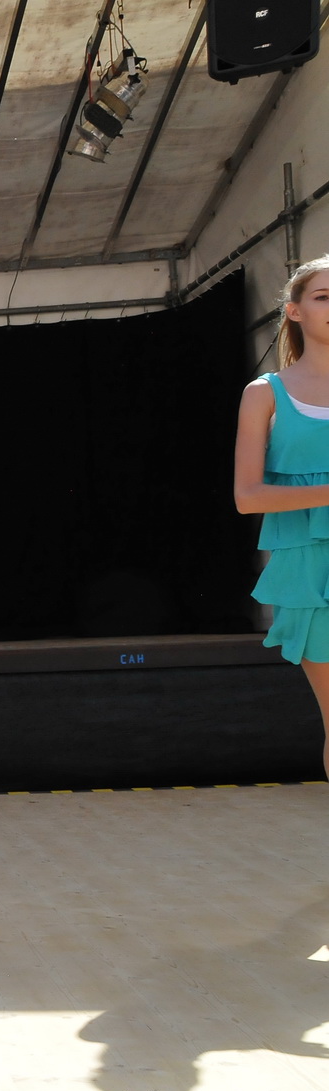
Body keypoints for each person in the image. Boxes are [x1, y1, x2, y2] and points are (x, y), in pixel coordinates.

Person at [236, 253, 329, 775]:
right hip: (312, 580)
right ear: (294, 311)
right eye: (323, 296)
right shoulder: (264, 393)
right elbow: (248, 496)